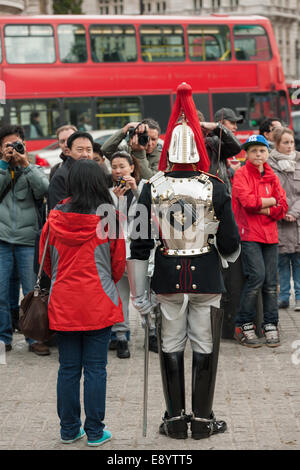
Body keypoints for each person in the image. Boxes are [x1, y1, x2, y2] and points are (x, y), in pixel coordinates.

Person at [128, 83, 241, 440]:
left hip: (167, 278)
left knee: (171, 343)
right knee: (205, 344)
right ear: (196, 147)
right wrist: (223, 257)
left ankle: (176, 420)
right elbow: (230, 241)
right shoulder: (214, 185)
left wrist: (139, 294)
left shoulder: (153, 185)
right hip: (206, 275)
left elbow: (140, 242)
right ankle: (204, 420)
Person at [39, 159, 126, 446]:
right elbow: (118, 266)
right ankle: (95, 432)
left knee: (68, 369)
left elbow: (46, 265)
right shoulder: (109, 217)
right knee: (96, 369)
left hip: (63, 302)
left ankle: (68, 430)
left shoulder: (54, 218)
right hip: (98, 301)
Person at [232, 134, 288, 348]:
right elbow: (247, 202)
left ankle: (270, 324)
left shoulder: (272, 175)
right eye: (254, 150)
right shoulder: (241, 174)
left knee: (271, 283)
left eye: (262, 150)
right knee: (257, 278)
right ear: (246, 153)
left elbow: (283, 207)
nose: (258, 154)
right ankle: (244, 325)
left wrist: (265, 207)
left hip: (270, 236)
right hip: (249, 235)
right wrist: (271, 203)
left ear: (267, 153)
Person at [0, 125, 49, 355]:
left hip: (27, 239)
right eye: (8, 146)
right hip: (1, 239)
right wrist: (3, 165)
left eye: (18, 145)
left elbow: (44, 190)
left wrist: (25, 165)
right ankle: (3, 337)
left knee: (32, 291)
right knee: (0, 292)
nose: (14, 149)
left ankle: (34, 337)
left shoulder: (33, 169)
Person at [108, 150, 157, 358]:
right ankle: (121, 336)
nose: (118, 170)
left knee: (146, 294)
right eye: (115, 166)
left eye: (122, 166)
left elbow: (151, 213)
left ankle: (153, 332)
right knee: (120, 295)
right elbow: (110, 224)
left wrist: (137, 191)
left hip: (142, 250)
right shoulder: (109, 193)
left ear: (131, 168)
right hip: (120, 250)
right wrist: (118, 202)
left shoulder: (146, 186)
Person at [268, 127, 300, 311]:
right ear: (277, 144)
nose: (290, 146)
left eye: (292, 142)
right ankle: (283, 297)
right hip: (279, 220)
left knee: (298, 262)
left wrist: (294, 213)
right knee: (281, 262)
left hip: (297, 221)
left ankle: (299, 298)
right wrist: (282, 211)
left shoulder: (299, 162)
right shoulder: (270, 165)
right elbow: (271, 191)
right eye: (285, 143)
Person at [48, 131, 94, 210]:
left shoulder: (94, 172)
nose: (85, 154)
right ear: (68, 152)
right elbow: (58, 211)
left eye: (88, 150)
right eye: (80, 150)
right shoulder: (61, 177)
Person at [199, 109, 242, 193]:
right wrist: (231, 171)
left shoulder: (218, 141)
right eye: (232, 123)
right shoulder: (213, 141)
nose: (235, 127)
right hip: (212, 196)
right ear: (220, 123)